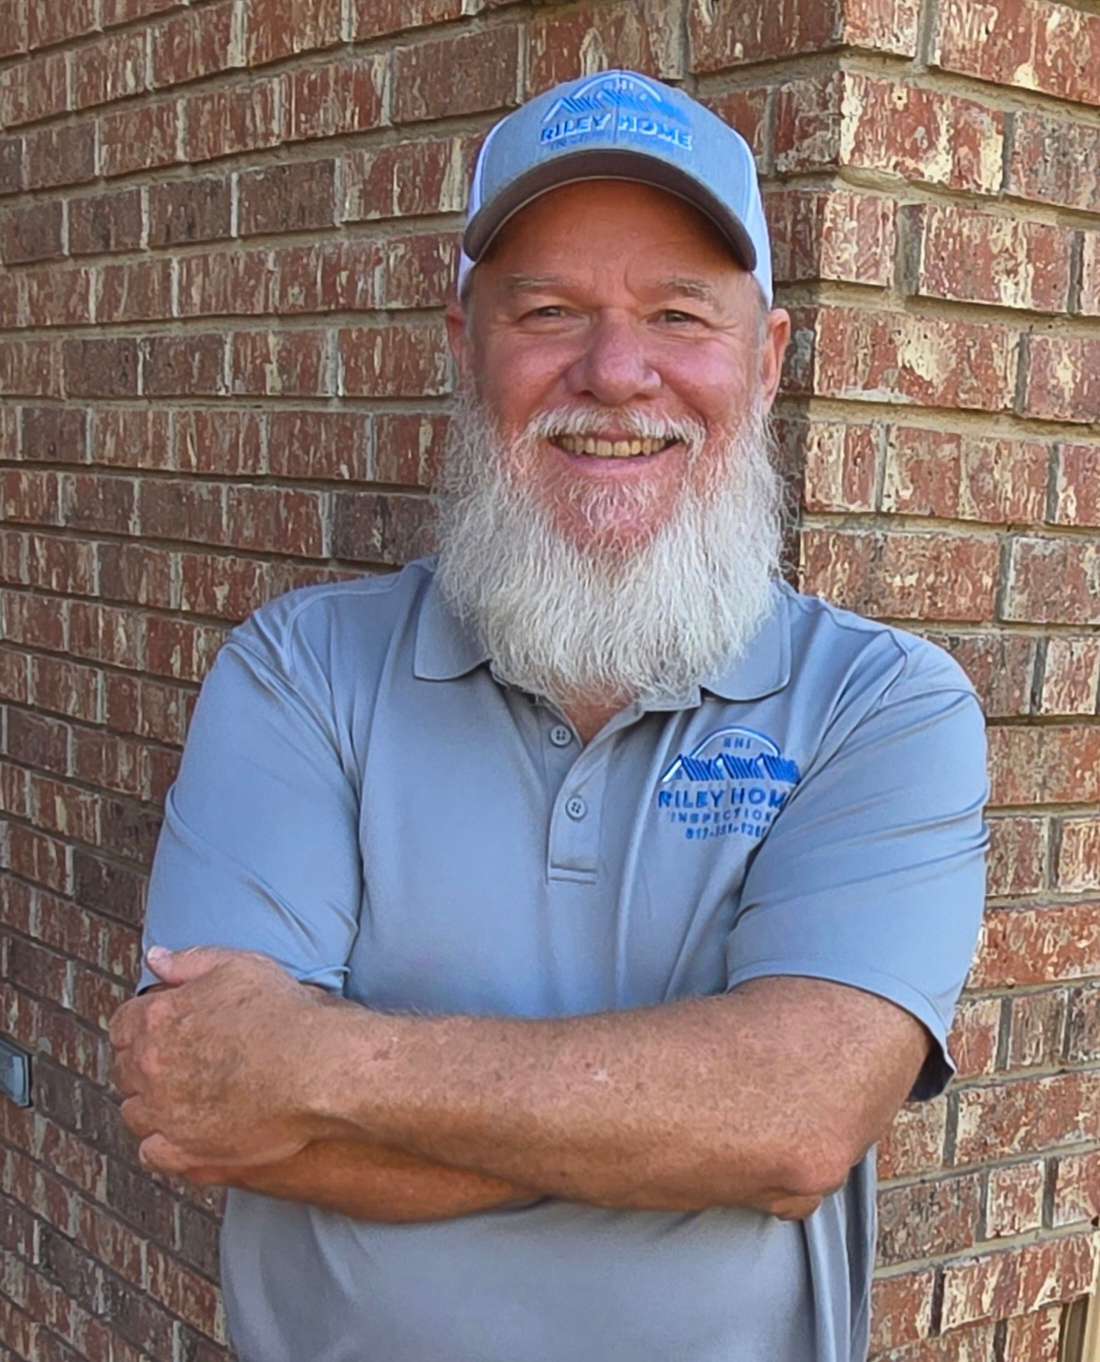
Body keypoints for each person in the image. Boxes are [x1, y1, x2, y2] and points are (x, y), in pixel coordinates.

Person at [109, 69, 988, 1362]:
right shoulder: (300, 671)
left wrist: (313, 1067)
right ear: (465, 343)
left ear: (768, 359)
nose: (617, 373)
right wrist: (676, 1125)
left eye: (678, 313)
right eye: (550, 311)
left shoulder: (883, 706)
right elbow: (208, 1099)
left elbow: (794, 1120)